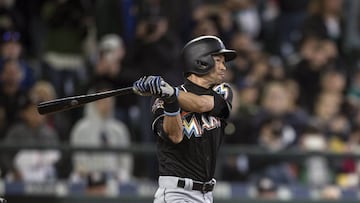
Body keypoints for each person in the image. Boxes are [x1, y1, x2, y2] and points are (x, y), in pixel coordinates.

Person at [133, 35, 236, 203]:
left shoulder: (223, 91)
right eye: (218, 60)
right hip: (176, 194)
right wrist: (170, 101)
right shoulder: (161, 100)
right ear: (201, 61)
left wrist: (171, 93)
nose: (224, 67)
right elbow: (175, 136)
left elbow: (202, 104)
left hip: (206, 195)